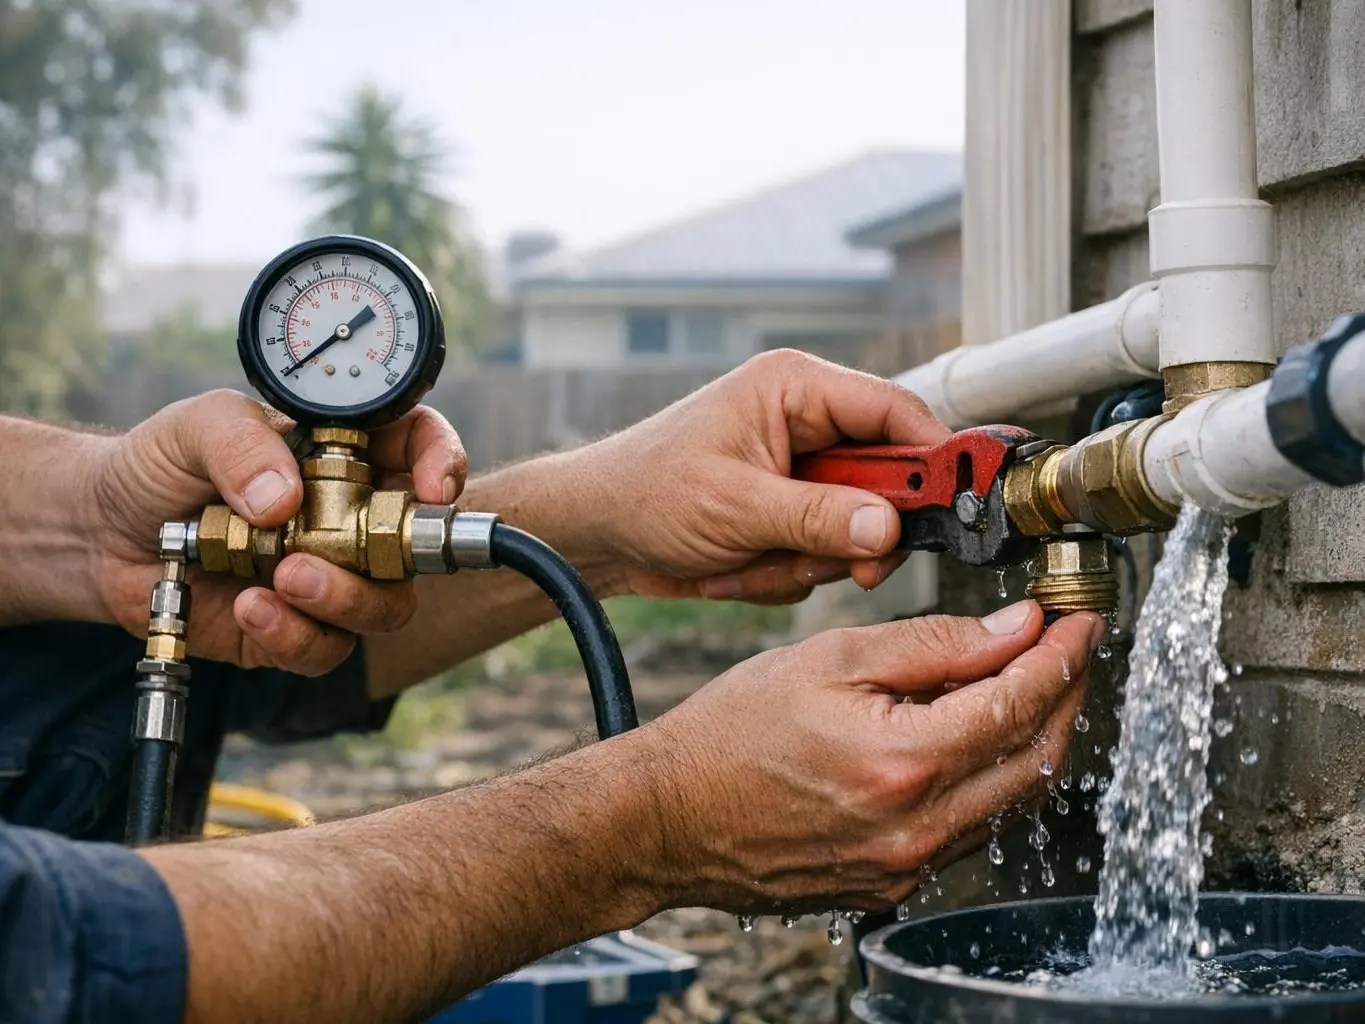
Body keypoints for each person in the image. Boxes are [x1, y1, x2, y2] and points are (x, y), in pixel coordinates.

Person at [0, 349, 1101, 1023]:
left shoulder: (136, 557)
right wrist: (652, 820)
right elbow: (68, 953)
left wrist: (600, 511)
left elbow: (252, 651)